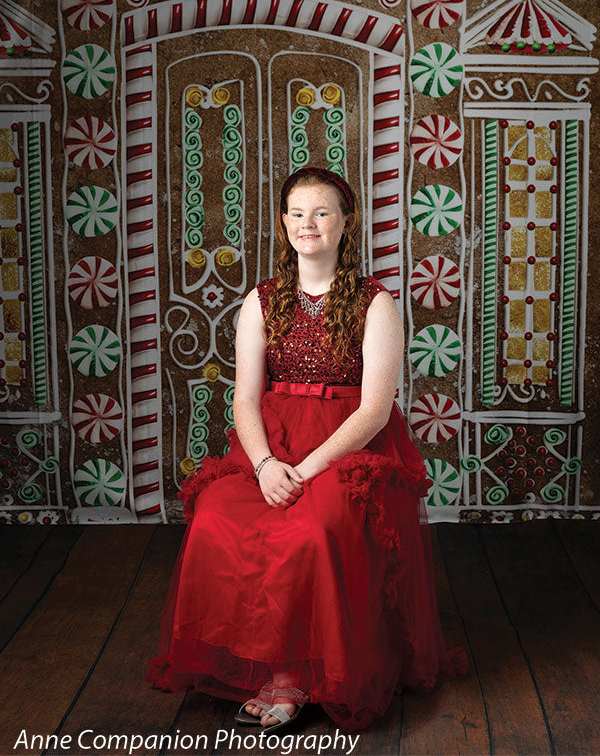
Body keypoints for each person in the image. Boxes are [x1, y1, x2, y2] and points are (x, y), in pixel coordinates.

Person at [145, 166, 468, 732]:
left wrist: (307, 470)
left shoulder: (376, 304)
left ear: (346, 222)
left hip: (346, 450)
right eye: (296, 213)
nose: (307, 224)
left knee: (313, 530)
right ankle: (254, 659)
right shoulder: (262, 301)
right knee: (217, 517)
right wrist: (268, 464)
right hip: (273, 442)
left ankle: (290, 676)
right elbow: (245, 398)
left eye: (321, 212)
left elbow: (373, 410)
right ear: (282, 223)